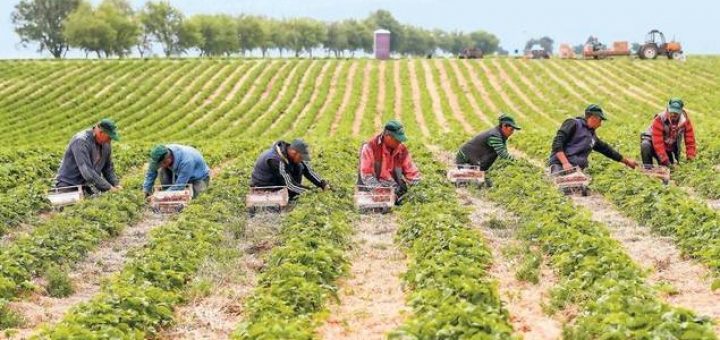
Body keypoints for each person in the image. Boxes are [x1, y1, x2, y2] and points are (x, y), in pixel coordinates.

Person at [549, 104, 637, 173]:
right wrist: (565, 163)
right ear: (593, 118)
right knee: (562, 186)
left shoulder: (592, 135)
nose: (600, 124)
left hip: (576, 169)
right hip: (561, 165)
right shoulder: (573, 123)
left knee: (580, 189)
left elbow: (607, 150)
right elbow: (557, 144)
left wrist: (627, 161)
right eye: (600, 120)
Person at [358, 120, 421, 205]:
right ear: (387, 136)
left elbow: (412, 173)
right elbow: (366, 176)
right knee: (376, 206)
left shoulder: (401, 150)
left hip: (393, 188)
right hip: (372, 189)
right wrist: (383, 193)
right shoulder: (370, 147)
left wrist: (420, 187)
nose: (400, 142)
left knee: (402, 194)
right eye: (397, 139)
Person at [54, 118, 122, 195]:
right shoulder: (81, 141)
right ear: (100, 132)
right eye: (109, 137)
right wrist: (109, 188)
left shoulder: (106, 144)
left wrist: (116, 184)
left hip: (86, 187)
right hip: (68, 186)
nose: (109, 141)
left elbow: (108, 168)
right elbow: (88, 173)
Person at [250, 139, 329, 199]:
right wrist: (311, 192)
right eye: (301, 157)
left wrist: (323, 184)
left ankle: (294, 194)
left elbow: (309, 171)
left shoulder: (294, 155)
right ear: (294, 152)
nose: (302, 159)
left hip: (279, 182)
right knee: (293, 188)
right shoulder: (275, 159)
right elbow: (290, 185)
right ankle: (291, 196)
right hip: (265, 187)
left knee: (300, 166)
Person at [457, 114, 520, 186]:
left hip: (474, 161)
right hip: (466, 161)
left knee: (485, 181)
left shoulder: (501, 136)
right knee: (481, 183)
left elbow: (504, 153)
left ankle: (471, 174)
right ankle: (459, 176)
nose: (512, 132)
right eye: (511, 129)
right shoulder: (494, 136)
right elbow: (503, 154)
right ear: (504, 126)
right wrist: (517, 162)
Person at [640, 98, 696, 168]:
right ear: (668, 109)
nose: (673, 114)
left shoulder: (685, 121)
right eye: (671, 112)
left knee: (669, 170)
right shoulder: (659, 119)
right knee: (645, 146)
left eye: (676, 113)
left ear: (681, 111)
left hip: (666, 146)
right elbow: (658, 142)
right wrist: (665, 161)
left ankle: (663, 171)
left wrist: (690, 158)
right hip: (652, 142)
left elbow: (690, 140)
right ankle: (648, 170)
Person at [142, 144, 210, 199]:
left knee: (195, 197)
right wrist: (147, 189)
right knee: (162, 171)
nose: (159, 166)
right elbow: (151, 171)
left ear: (168, 160)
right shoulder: (161, 154)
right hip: (180, 173)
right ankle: (167, 191)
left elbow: (179, 186)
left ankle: (168, 194)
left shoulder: (186, 161)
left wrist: (160, 196)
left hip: (198, 178)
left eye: (161, 164)